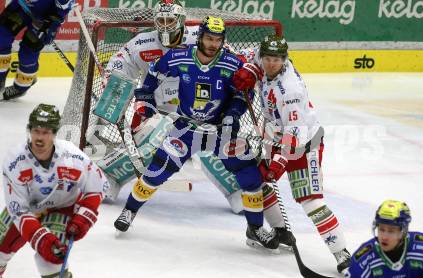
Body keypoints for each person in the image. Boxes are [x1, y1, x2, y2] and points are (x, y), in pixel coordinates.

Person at [113, 15, 279, 251]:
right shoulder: (180, 56)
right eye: (209, 38)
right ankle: (129, 211)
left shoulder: (232, 63)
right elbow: (153, 74)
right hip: (186, 128)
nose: (213, 44)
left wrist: (233, 113)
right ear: (200, 36)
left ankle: (255, 229)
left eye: (218, 40)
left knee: (250, 177)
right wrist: (145, 100)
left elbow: (244, 94)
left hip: (221, 130)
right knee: (157, 170)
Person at [100, 0, 243, 213]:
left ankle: (236, 189)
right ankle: (109, 176)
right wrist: (117, 88)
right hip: (161, 112)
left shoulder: (200, 36)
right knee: (152, 133)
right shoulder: (142, 44)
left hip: (206, 112)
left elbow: (230, 59)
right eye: (161, 20)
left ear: (181, 20)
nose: (166, 26)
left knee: (213, 140)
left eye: (170, 20)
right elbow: (119, 66)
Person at [233, 34, 351, 272]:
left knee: (311, 202)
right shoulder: (262, 58)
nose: (270, 63)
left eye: (276, 60)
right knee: (259, 181)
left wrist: (278, 161)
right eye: (267, 58)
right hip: (275, 135)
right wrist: (248, 69)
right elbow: (247, 55)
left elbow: (295, 132)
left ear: (284, 60)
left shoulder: (290, 89)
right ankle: (280, 230)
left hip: (304, 144)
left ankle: (341, 253)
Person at [0, 104, 106, 277]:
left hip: (63, 208)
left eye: (46, 132)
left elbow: (98, 186)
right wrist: (41, 238)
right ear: (29, 131)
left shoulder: (73, 156)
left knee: (50, 262)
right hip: (28, 211)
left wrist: (83, 218)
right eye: (36, 131)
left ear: (55, 133)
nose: (40, 138)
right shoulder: (14, 162)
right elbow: (18, 210)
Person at [0, 0, 73, 100]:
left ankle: (21, 87)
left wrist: (53, 22)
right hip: (21, 6)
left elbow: (64, 6)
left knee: (29, 52)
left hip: (45, 17)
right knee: (2, 36)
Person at [346, 200, 423, 277]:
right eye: (381, 229)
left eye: (391, 231)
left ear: (403, 232)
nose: (384, 237)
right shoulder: (363, 261)